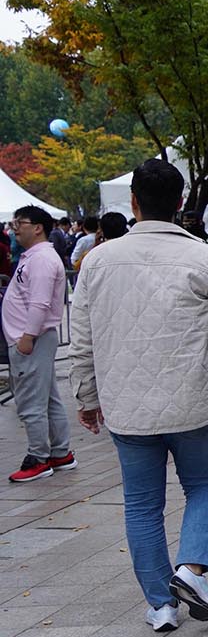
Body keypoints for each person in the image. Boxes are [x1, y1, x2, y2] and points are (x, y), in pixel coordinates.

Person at [71, 159, 208, 633]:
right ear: (181, 204)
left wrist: (86, 396)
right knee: (205, 486)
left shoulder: (98, 263)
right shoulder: (206, 258)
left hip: (126, 404)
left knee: (142, 504)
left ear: (132, 203)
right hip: (193, 398)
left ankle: (161, 605)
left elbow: (82, 337)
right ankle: (189, 570)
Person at [5, 206, 73, 483]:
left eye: (20, 222)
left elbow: (40, 302)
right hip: (32, 338)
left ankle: (38, 458)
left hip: (31, 339)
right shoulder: (34, 257)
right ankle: (59, 453)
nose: (14, 227)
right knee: (47, 398)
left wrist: (27, 337)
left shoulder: (42, 258)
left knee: (30, 401)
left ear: (38, 228)